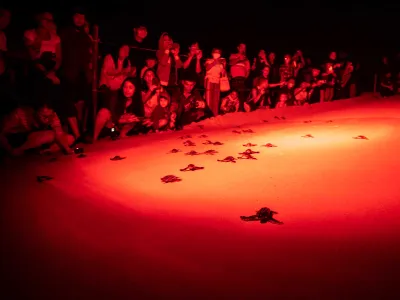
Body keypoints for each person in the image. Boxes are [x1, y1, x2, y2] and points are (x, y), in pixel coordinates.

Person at [0, 102, 74, 156]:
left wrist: (68, 150)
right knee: (50, 135)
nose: (47, 120)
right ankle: (21, 150)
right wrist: (10, 150)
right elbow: (1, 133)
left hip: (35, 138)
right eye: (44, 117)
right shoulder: (19, 114)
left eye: (49, 116)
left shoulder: (53, 116)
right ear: (37, 112)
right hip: (14, 140)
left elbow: (59, 133)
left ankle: (46, 150)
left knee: (70, 138)